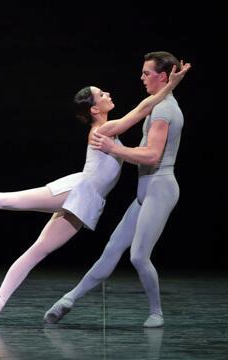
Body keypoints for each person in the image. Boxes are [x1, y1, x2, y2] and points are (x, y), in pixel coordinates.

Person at [0, 60, 190, 324]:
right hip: (77, 190)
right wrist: (172, 85)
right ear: (94, 109)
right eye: (101, 94)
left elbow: (142, 113)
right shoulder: (103, 128)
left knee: (37, 251)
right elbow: (141, 110)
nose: (107, 93)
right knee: (7, 200)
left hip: (89, 202)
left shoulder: (107, 129)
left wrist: (169, 88)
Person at [45, 51, 188, 328]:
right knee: (112, 249)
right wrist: (173, 84)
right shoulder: (158, 104)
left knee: (138, 255)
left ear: (162, 75)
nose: (142, 77)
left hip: (160, 186)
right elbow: (141, 109)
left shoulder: (165, 110)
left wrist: (114, 148)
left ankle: (156, 312)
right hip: (146, 189)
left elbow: (152, 156)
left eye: (147, 73)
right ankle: (68, 300)